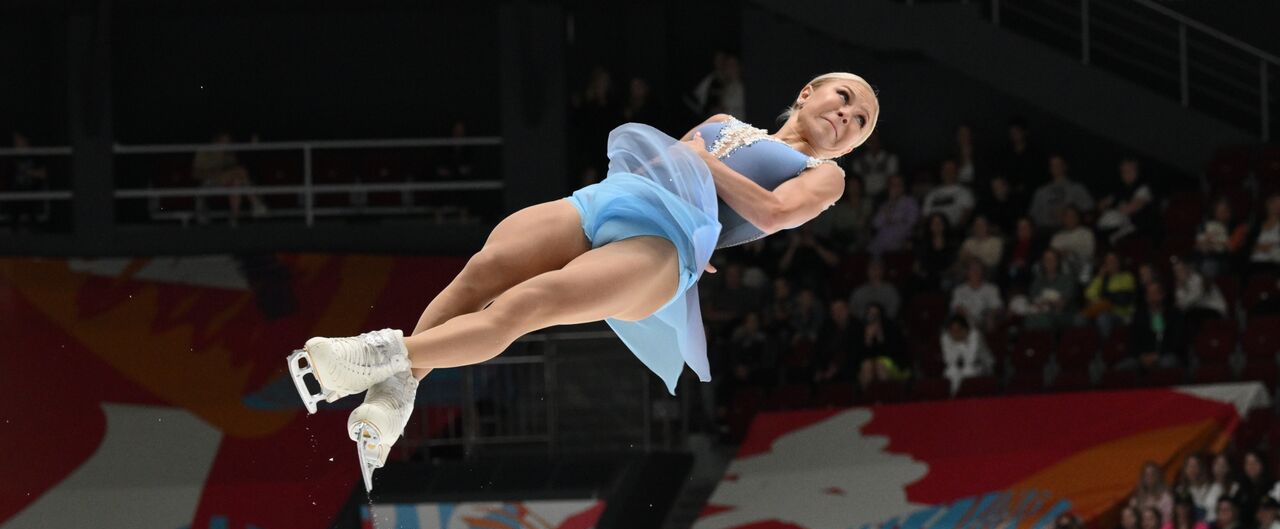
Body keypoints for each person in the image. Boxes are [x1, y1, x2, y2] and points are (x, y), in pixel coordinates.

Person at [288, 74, 879, 489]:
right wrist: (699, 179)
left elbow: (773, 215)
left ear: (851, 144)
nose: (846, 116)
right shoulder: (723, 121)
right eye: (845, 99)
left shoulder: (823, 175)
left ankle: (372, 356)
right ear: (808, 93)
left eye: (859, 123)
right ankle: (395, 397)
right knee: (483, 271)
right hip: (611, 200)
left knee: (527, 303)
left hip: (659, 247)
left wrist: (704, 185)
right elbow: (666, 167)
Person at [1028, 154, 1092, 231]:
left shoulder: (1077, 189)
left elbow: (1088, 212)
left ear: (1065, 166)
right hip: (1046, 232)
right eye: (1053, 165)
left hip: (1072, 232)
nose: (1056, 168)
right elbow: (1032, 217)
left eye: (1058, 164)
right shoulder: (1041, 192)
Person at [939, 314, 993, 395]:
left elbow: (971, 359)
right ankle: (953, 399)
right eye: (952, 331)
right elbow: (949, 360)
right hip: (961, 366)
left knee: (968, 371)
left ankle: (969, 398)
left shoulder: (975, 335)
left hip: (982, 365)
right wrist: (960, 343)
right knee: (950, 372)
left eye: (957, 331)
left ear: (965, 330)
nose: (954, 334)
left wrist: (962, 344)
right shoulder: (946, 337)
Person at [949, 257, 1003, 332]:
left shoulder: (992, 289)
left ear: (983, 271)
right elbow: (956, 308)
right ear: (967, 271)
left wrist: (990, 315)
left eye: (978, 269)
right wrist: (970, 319)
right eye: (972, 269)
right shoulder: (959, 290)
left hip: (984, 323)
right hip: (965, 324)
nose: (975, 272)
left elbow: (997, 307)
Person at [921, 158, 975, 230]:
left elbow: (966, 215)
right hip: (932, 231)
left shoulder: (965, 192)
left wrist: (956, 230)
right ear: (941, 172)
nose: (948, 172)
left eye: (951, 169)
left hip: (954, 231)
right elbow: (925, 216)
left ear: (956, 172)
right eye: (945, 169)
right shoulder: (932, 194)